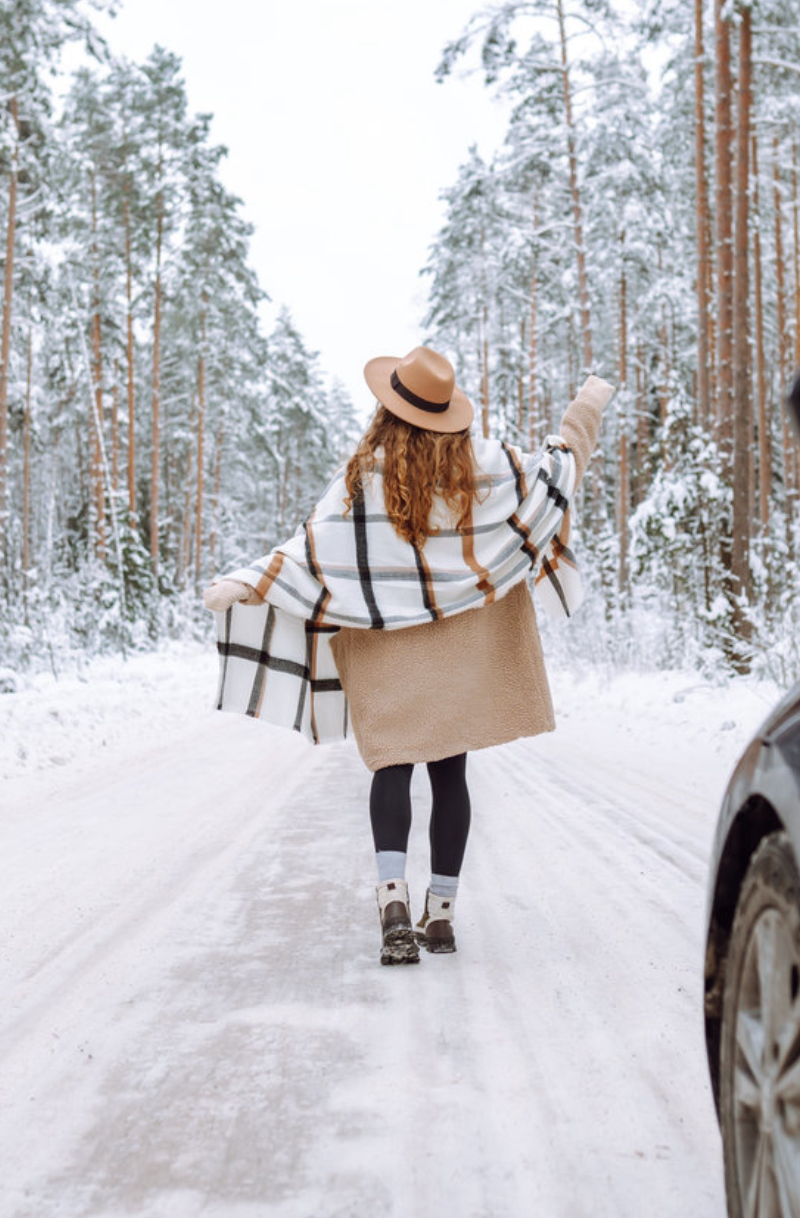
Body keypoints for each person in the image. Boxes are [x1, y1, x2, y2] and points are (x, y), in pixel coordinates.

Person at [206, 345, 614, 965]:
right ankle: (442, 915)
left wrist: (252, 581)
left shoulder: (361, 481)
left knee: (392, 768)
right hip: (463, 646)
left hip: (387, 646)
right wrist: (585, 408)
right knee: (451, 774)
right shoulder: (490, 471)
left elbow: (315, 550)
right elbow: (559, 472)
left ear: (389, 413)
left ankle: (393, 905)